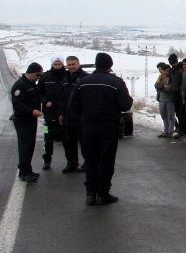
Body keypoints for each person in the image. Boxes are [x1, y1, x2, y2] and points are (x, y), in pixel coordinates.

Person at [69, 53, 133, 206]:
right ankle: (103, 194)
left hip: (88, 126)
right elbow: (125, 104)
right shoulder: (116, 82)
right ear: (110, 66)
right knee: (106, 160)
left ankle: (90, 194)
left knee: (90, 160)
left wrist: (86, 115)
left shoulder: (82, 83)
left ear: (95, 64)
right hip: (108, 126)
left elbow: (73, 106)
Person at [11, 62, 44, 182]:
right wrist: (31, 111)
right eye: (38, 75)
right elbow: (18, 103)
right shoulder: (20, 85)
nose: (38, 78)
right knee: (25, 146)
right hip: (23, 120)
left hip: (30, 119)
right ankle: (24, 172)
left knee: (30, 146)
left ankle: (27, 170)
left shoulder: (31, 83)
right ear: (31, 73)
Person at [37, 55, 70, 170]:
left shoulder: (67, 76)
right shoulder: (45, 77)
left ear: (62, 64)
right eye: (55, 65)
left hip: (63, 114)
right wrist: (45, 101)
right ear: (52, 65)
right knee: (48, 139)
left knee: (67, 140)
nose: (57, 67)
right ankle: (46, 161)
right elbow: (38, 91)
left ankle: (70, 162)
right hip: (49, 115)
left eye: (59, 64)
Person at [59, 56, 89, 173]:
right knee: (69, 142)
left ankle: (87, 163)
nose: (71, 67)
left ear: (78, 63)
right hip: (68, 116)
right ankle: (71, 164)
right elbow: (62, 97)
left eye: (73, 64)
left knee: (84, 142)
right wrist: (61, 112)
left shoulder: (85, 78)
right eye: (69, 64)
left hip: (81, 116)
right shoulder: (65, 78)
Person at [168, 54, 186, 139]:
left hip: (180, 94)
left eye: (174, 62)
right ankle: (180, 129)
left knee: (182, 113)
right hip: (175, 94)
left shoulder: (180, 69)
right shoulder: (172, 71)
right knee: (178, 114)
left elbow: (181, 83)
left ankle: (183, 131)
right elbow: (172, 82)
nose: (174, 65)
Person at [155, 64, 175, 138]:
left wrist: (161, 88)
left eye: (168, 70)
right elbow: (156, 85)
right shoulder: (161, 77)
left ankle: (170, 132)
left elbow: (170, 89)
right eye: (165, 71)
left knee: (171, 116)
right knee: (164, 116)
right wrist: (163, 86)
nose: (166, 72)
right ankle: (166, 131)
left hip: (169, 100)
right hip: (161, 99)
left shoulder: (172, 78)